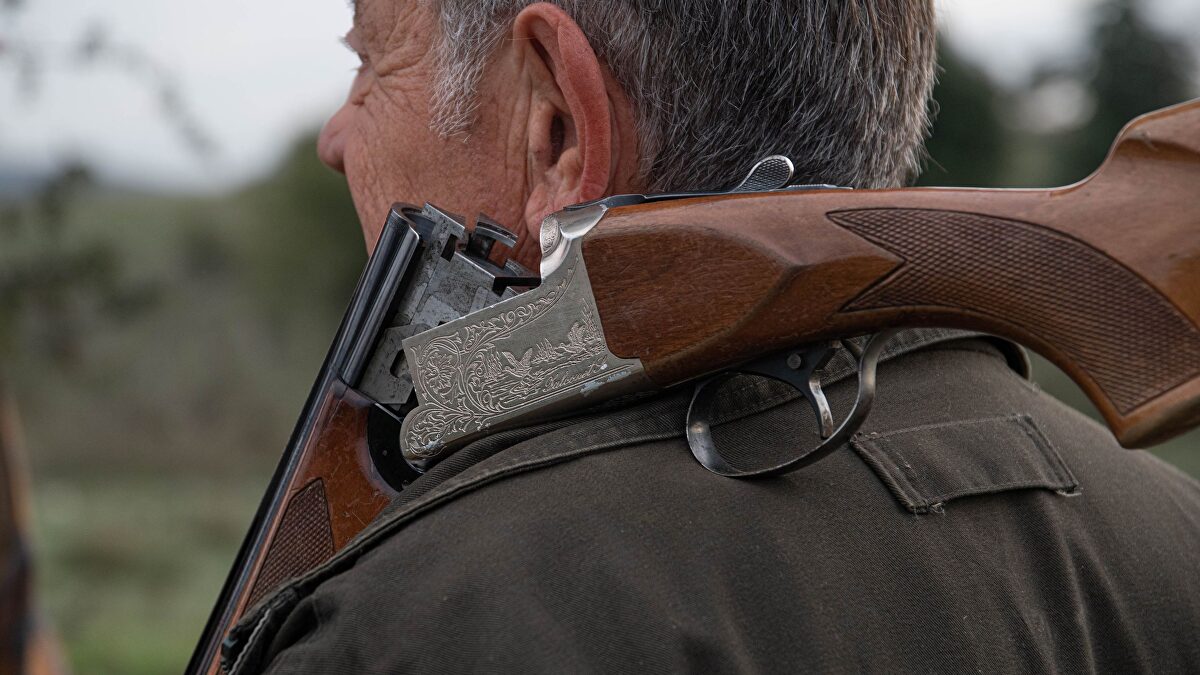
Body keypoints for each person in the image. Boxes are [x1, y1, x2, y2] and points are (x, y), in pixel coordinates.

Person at [228, 1, 1200, 672]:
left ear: (558, 127)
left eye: (369, 61)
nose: (335, 135)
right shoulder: (1175, 535)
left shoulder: (406, 626)